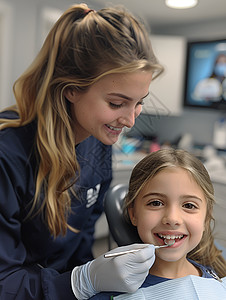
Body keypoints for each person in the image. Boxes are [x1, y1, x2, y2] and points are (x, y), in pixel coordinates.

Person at [0, 3, 163, 300]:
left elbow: (83, 238)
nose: (129, 120)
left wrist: (91, 280)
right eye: (116, 103)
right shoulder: (7, 156)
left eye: (139, 102)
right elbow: (3, 280)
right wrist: (80, 281)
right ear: (71, 88)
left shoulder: (99, 140)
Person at [91, 148, 226, 299]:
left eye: (189, 205)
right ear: (133, 213)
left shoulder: (215, 282)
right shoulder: (110, 292)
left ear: (206, 218)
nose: (172, 218)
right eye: (156, 203)